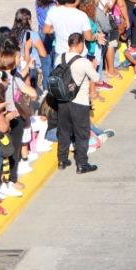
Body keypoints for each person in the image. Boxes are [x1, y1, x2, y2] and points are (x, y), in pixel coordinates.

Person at [55, 32, 100, 174]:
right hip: (79, 102)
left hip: (62, 101)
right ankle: (82, 164)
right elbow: (96, 78)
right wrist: (94, 66)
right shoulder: (84, 62)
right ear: (80, 45)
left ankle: (62, 160)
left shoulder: (59, 58)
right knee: (82, 134)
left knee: (64, 131)